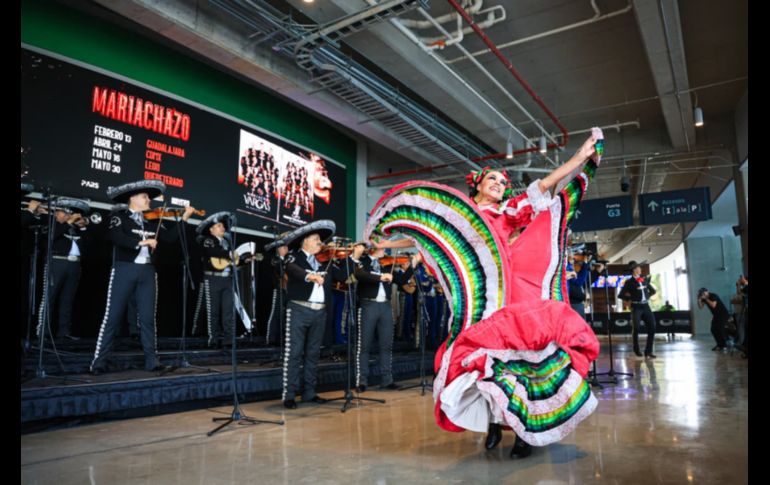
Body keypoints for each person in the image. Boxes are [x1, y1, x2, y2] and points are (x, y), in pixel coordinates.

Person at [368, 129, 603, 458]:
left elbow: (546, 186)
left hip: (510, 300)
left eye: (504, 182)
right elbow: (431, 236)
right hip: (476, 304)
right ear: (477, 183)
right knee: (480, 365)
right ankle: (494, 425)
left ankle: (522, 433)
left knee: (519, 366)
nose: (500, 184)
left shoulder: (508, 212)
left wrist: (579, 159)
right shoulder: (460, 218)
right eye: (493, 179)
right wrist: (387, 241)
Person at [90, 180, 195, 375]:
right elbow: (115, 237)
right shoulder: (119, 217)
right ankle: (98, 362)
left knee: (148, 318)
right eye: (145, 197)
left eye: (148, 197)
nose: (149, 200)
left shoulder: (152, 221)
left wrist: (185, 218)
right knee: (112, 317)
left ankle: (152, 361)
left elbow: (171, 239)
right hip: (125, 269)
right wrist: (142, 241)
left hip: (147, 272)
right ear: (133, 198)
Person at [353, 246, 421, 392]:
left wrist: (413, 264)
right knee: (364, 346)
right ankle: (362, 381)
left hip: (385, 306)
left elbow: (402, 279)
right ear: (373, 249)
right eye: (383, 247)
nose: (387, 250)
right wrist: (380, 277)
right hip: (368, 305)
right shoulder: (362, 262)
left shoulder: (387, 264)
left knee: (386, 345)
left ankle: (387, 380)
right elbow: (360, 275)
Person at [36, 197, 90, 340]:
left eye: (69, 213)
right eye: (63, 212)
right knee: (49, 298)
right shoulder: (53, 225)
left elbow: (88, 245)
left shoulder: (75, 229)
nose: (67, 215)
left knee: (68, 299)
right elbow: (50, 236)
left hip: (74, 265)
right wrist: (68, 222)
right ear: (56, 214)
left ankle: (64, 332)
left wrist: (83, 226)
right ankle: (43, 332)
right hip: (57, 263)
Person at [197, 212, 237, 348]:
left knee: (228, 312)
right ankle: (212, 339)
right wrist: (229, 254)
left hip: (227, 280)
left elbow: (231, 260)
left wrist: (244, 258)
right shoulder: (209, 240)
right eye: (219, 226)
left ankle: (228, 339)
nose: (222, 228)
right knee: (212, 311)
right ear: (211, 229)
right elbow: (211, 252)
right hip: (212, 279)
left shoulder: (226, 242)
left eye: (222, 226)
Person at [618, 261, 657, 358]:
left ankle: (648, 351)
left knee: (652, 327)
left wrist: (647, 296)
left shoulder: (644, 279)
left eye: (639, 267)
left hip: (646, 306)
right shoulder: (629, 282)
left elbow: (653, 291)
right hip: (636, 307)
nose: (640, 269)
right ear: (634, 270)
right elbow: (620, 295)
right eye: (638, 268)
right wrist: (630, 299)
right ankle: (636, 349)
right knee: (636, 329)